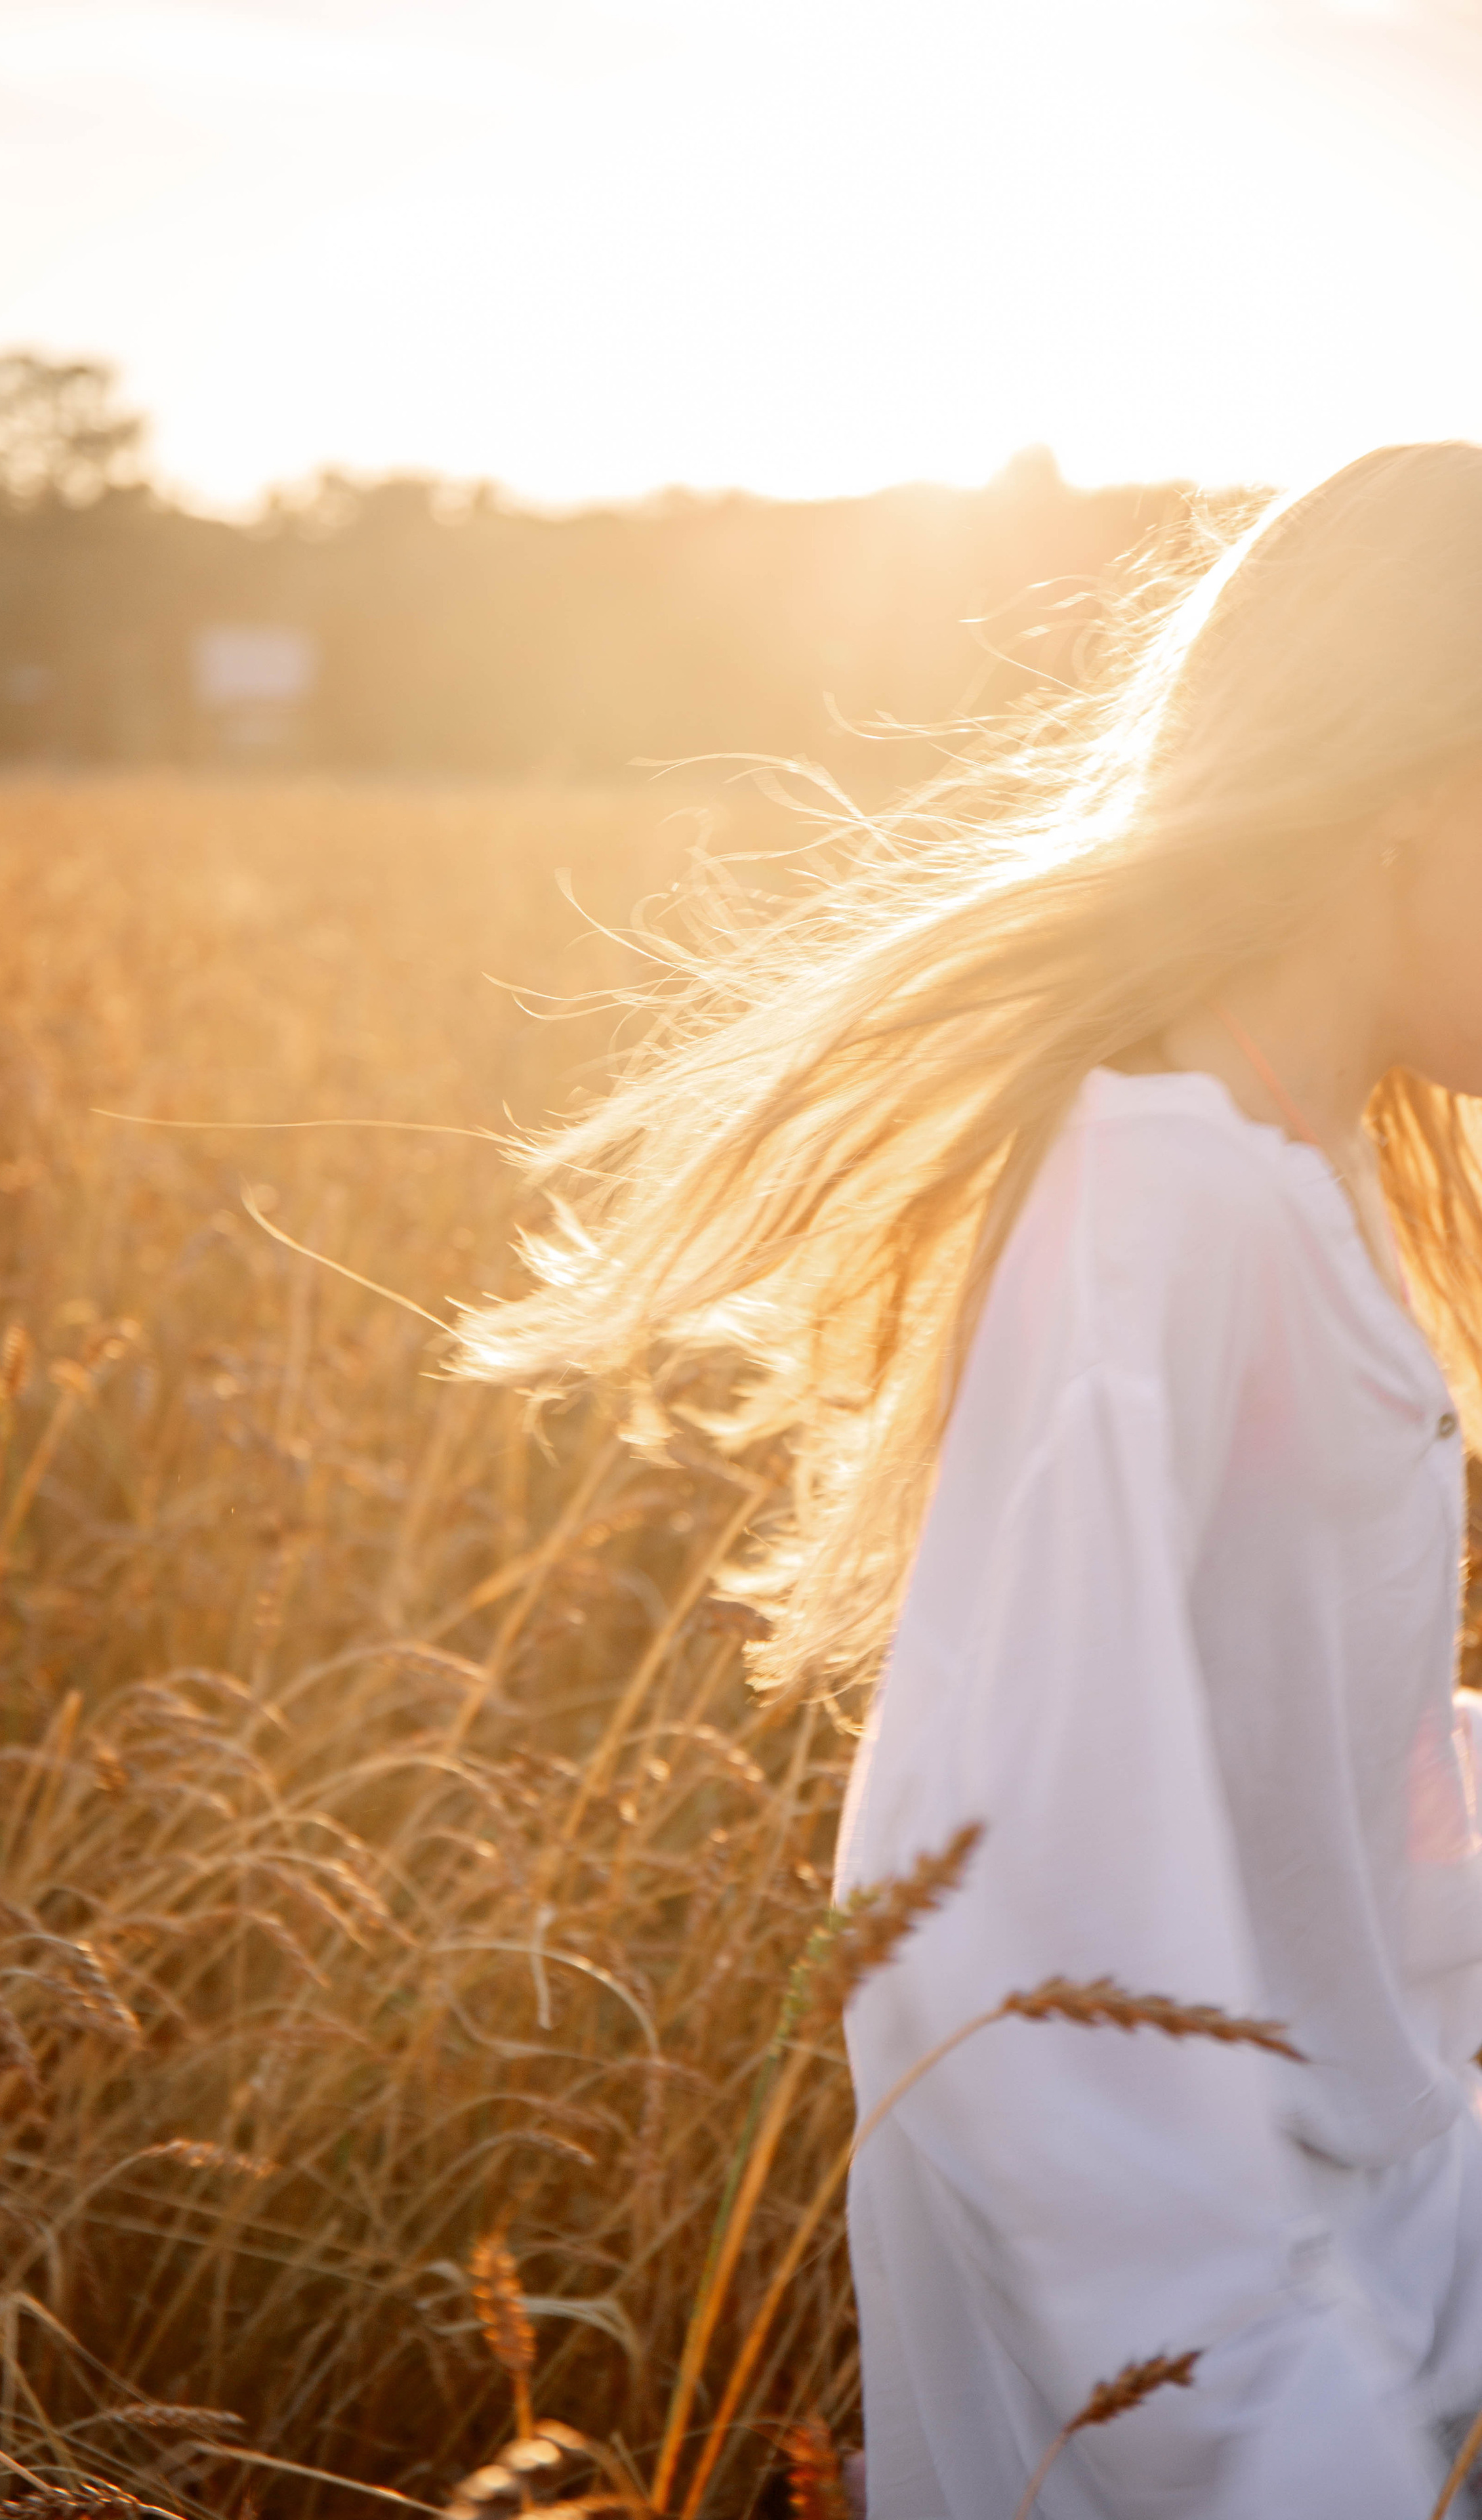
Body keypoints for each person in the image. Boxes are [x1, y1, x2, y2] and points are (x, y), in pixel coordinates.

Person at [459, 443, 1482, 2514]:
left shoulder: (1298, 1168)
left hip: (1389, 2245)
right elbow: (991, 1882)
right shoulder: (1165, 1209)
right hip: (1263, 2366)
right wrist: (1285, 2437)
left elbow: (1298, 1758)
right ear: (1415, 795)